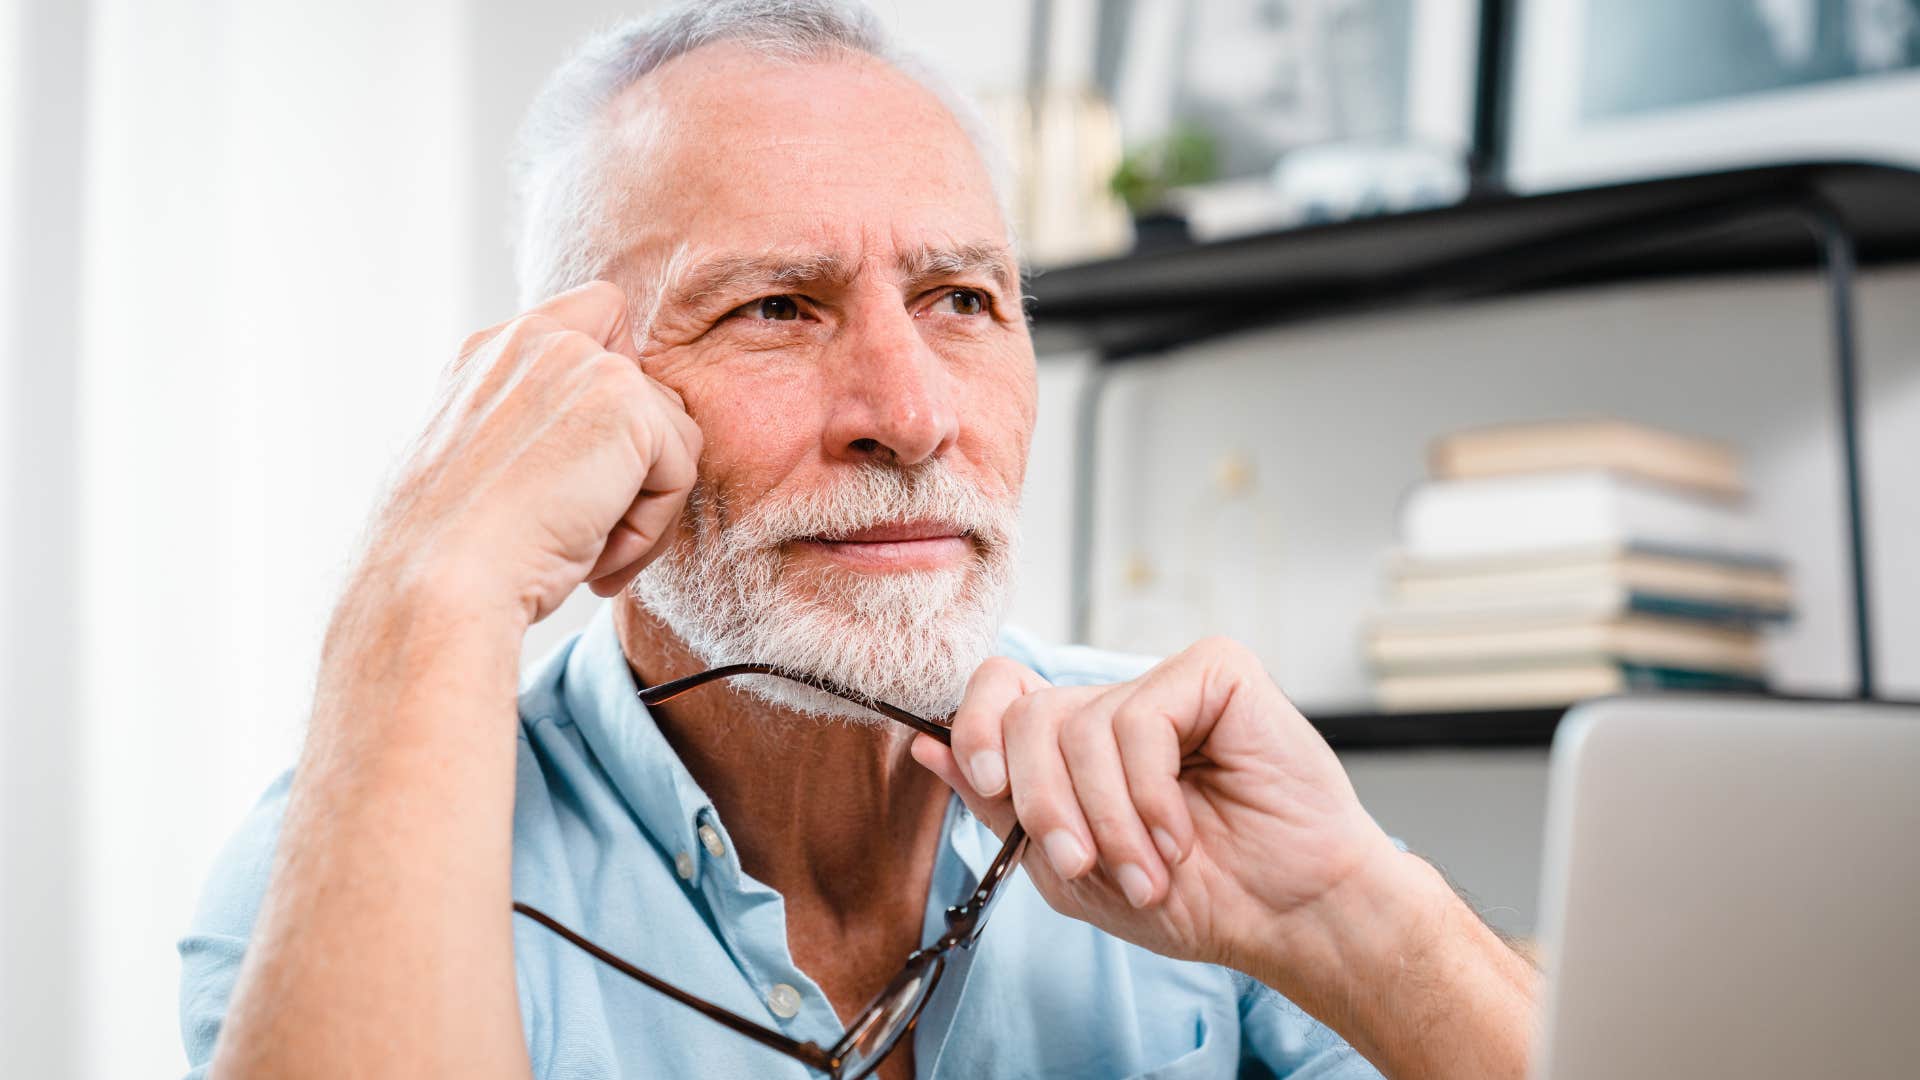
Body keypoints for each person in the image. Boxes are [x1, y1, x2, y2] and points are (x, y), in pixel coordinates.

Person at [179, 2, 1538, 1076]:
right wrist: (425, 589)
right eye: (777, 307)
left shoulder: (1186, 803)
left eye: (960, 297)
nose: (913, 413)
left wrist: (1348, 923)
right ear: (571, 397)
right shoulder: (345, 866)